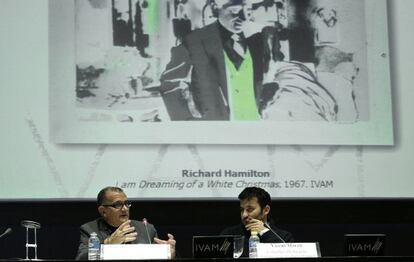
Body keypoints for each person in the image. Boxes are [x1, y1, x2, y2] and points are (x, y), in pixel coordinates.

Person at [159, 0, 274, 121]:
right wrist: (186, 122)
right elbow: (169, 85)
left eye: (248, 11)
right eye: (234, 11)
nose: (244, 17)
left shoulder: (258, 39)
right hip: (215, 131)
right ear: (215, 8)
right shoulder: (194, 41)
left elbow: (280, 71)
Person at [75, 186, 176, 260]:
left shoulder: (146, 229)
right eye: (117, 205)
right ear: (103, 211)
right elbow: (81, 258)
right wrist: (108, 244)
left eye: (127, 204)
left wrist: (168, 254)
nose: (124, 209)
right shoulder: (90, 230)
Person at [221, 187, 294, 257]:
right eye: (242, 210)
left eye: (250, 209)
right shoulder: (229, 235)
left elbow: (286, 256)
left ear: (266, 210)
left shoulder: (284, 236)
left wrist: (264, 232)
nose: (244, 215)